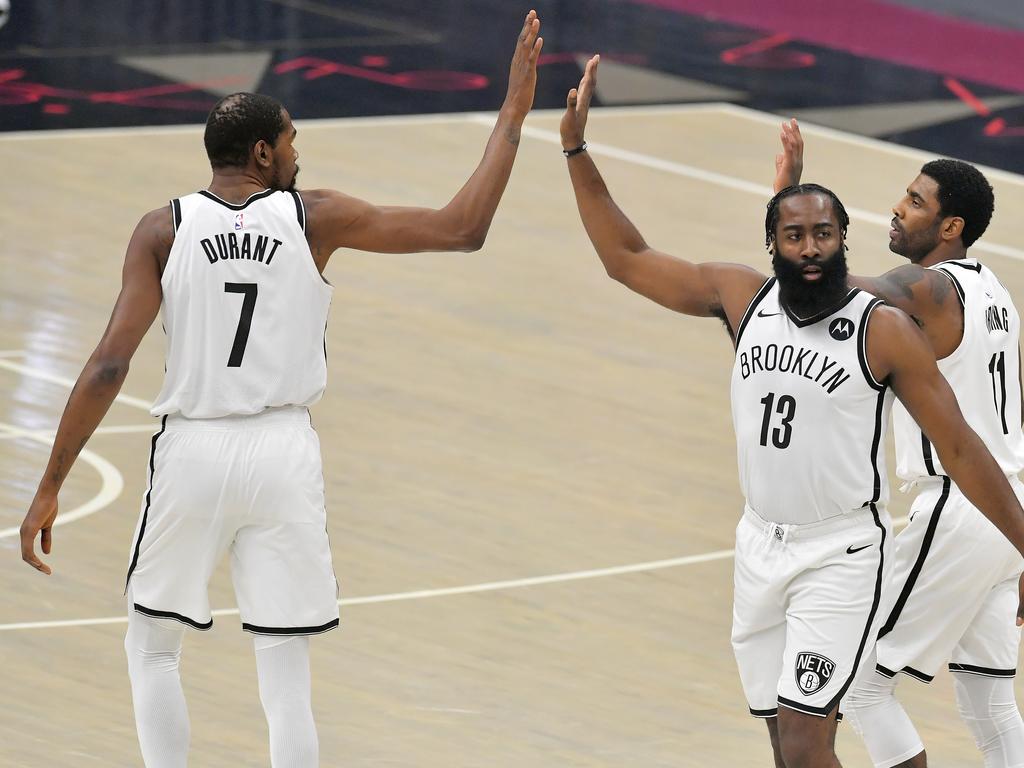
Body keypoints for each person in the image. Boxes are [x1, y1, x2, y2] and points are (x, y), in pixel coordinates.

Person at [18, 11, 544, 767]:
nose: (299, 152)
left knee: (154, 648)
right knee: (285, 672)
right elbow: (463, 228)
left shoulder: (161, 229)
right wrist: (513, 112)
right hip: (282, 452)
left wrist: (50, 481)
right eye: (293, 140)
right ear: (263, 153)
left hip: (193, 450)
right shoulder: (313, 217)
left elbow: (108, 365)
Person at [559, 55, 1024, 768]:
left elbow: (960, 445)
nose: (812, 249)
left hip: (862, 542)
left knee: (841, 715)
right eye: (794, 235)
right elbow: (626, 256)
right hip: (766, 547)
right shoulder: (746, 298)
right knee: (803, 745)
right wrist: (575, 148)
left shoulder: (888, 319)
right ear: (772, 242)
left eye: (825, 234)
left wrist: (790, 200)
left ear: (843, 239)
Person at [775, 122, 1024, 767]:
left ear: (951, 228)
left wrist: (790, 202)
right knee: (992, 707)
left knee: (854, 683)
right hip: (1008, 513)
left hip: (962, 506)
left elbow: (827, 292)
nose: (896, 206)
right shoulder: (995, 292)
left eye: (916, 202)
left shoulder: (934, 290)